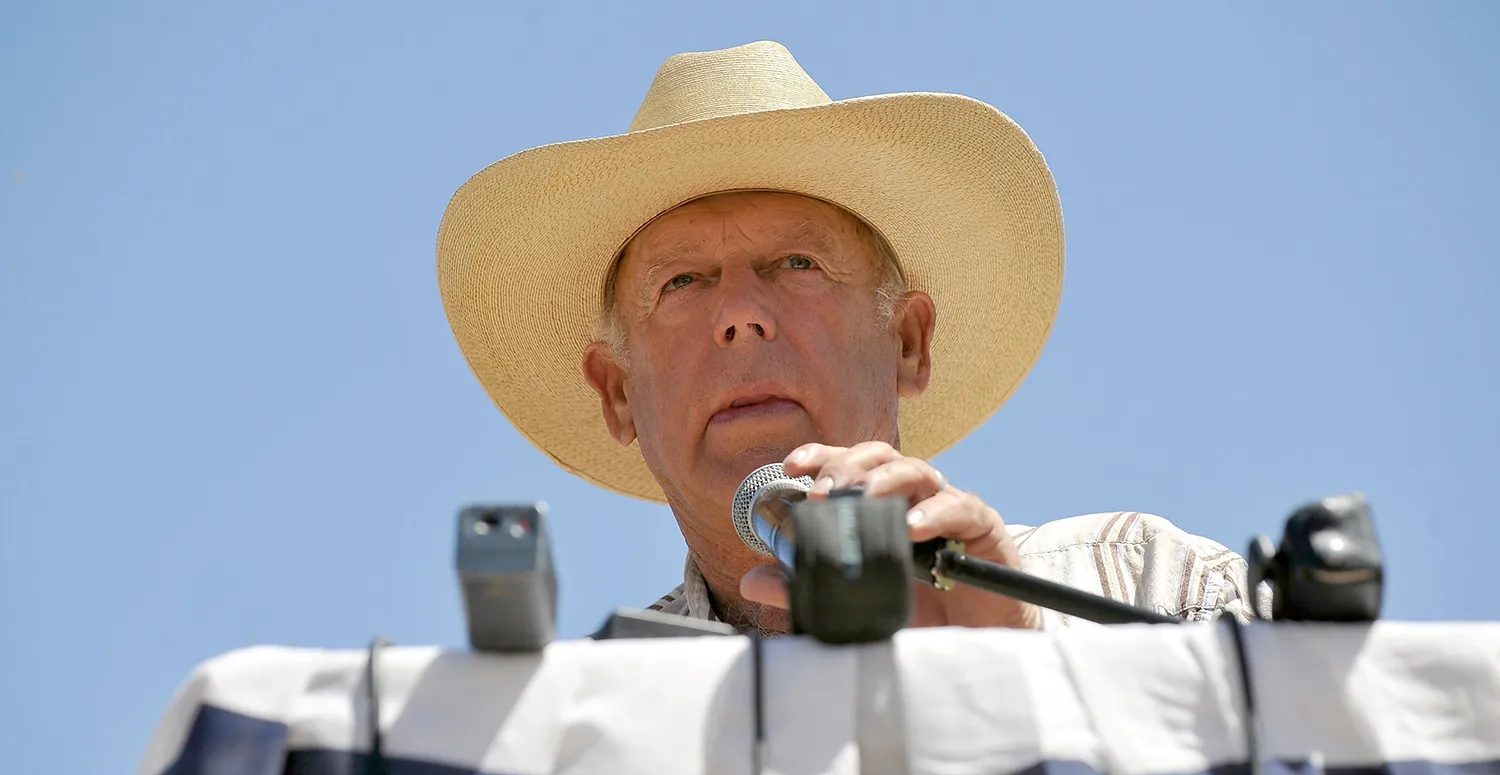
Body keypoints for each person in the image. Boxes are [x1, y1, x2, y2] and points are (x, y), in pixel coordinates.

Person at [436, 41, 1264, 633]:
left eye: (796, 263)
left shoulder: (1155, 586)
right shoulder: (581, 733)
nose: (739, 314)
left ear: (908, 341)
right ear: (618, 392)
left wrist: (1006, 662)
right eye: (681, 282)